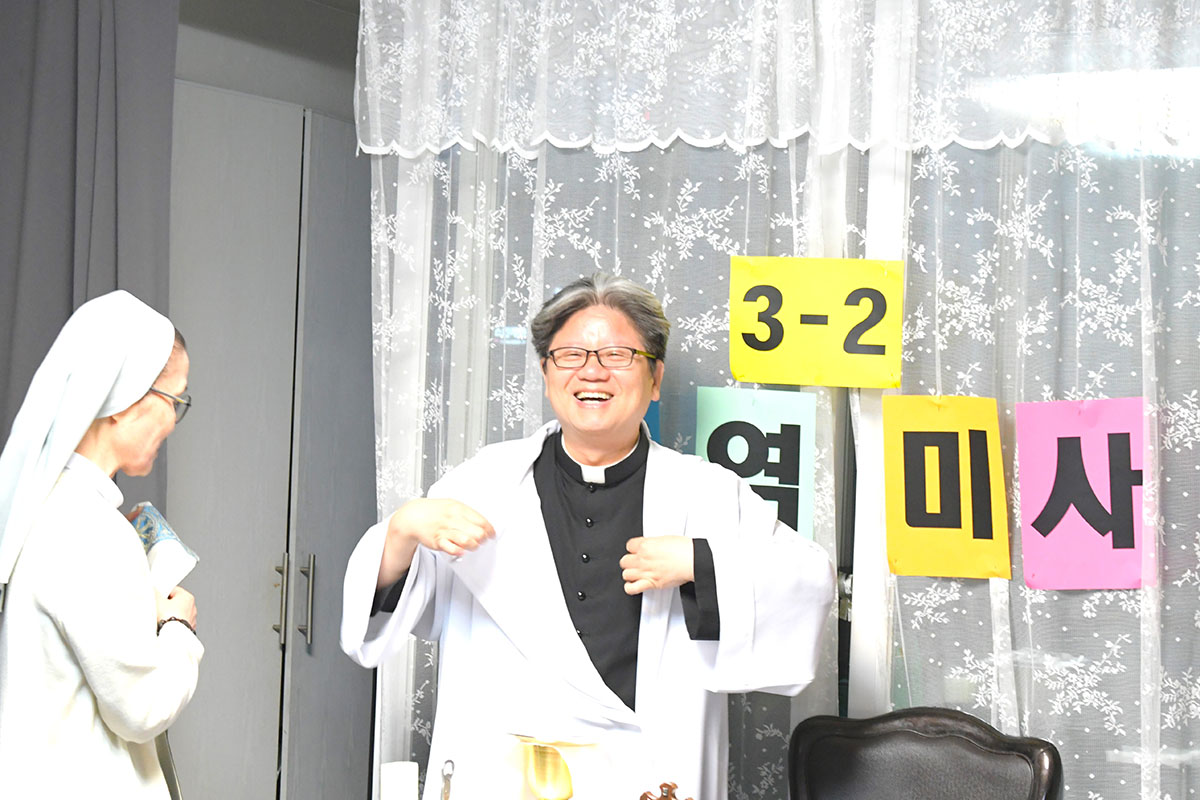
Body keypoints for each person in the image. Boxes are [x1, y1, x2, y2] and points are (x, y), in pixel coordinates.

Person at [341, 273, 834, 800]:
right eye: (570, 355)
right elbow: (392, 608)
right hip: (507, 765)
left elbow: (810, 580)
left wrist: (699, 561)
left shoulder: (705, 491)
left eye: (617, 355)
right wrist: (403, 531)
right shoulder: (485, 482)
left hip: (648, 769)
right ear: (546, 373)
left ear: (655, 377)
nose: (592, 371)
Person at [0, 290, 203, 798]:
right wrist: (178, 628)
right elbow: (141, 709)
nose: (174, 422)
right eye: (175, 401)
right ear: (126, 397)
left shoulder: (44, 505)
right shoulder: (91, 532)